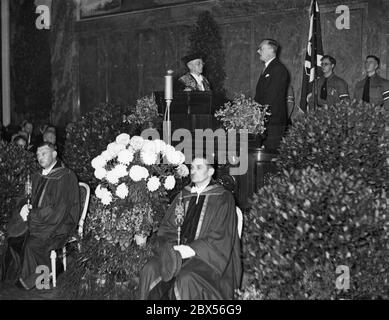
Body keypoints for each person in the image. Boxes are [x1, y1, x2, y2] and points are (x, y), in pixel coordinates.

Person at [140, 157, 242, 300]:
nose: (193, 171)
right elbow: (168, 227)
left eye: (199, 167)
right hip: (176, 254)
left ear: (210, 171)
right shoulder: (183, 196)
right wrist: (171, 247)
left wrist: (189, 250)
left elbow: (221, 235)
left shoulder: (223, 198)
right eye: (192, 167)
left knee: (185, 278)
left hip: (207, 258)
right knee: (149, 269)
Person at [0, 141, 80, 290]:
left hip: (59, 223)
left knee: (32, 243)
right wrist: (23, 206)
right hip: (39, 220)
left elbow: (59, 209)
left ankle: (41, 279)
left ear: (54, 154)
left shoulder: (66, 176)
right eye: (38, 154)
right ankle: (21, 276)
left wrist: (32, 215)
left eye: (44, 153)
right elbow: (26, 196)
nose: (40, 157)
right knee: (13, 236)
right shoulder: (37, 176)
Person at [254, 39, 290, 153]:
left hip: (273, 121)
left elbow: (271, 97)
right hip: (265, 120)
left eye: (261, 48)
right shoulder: (268, 68)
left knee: (271, 154)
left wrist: (258, 114)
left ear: (271, 50)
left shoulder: (278, 69)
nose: (258, 51)